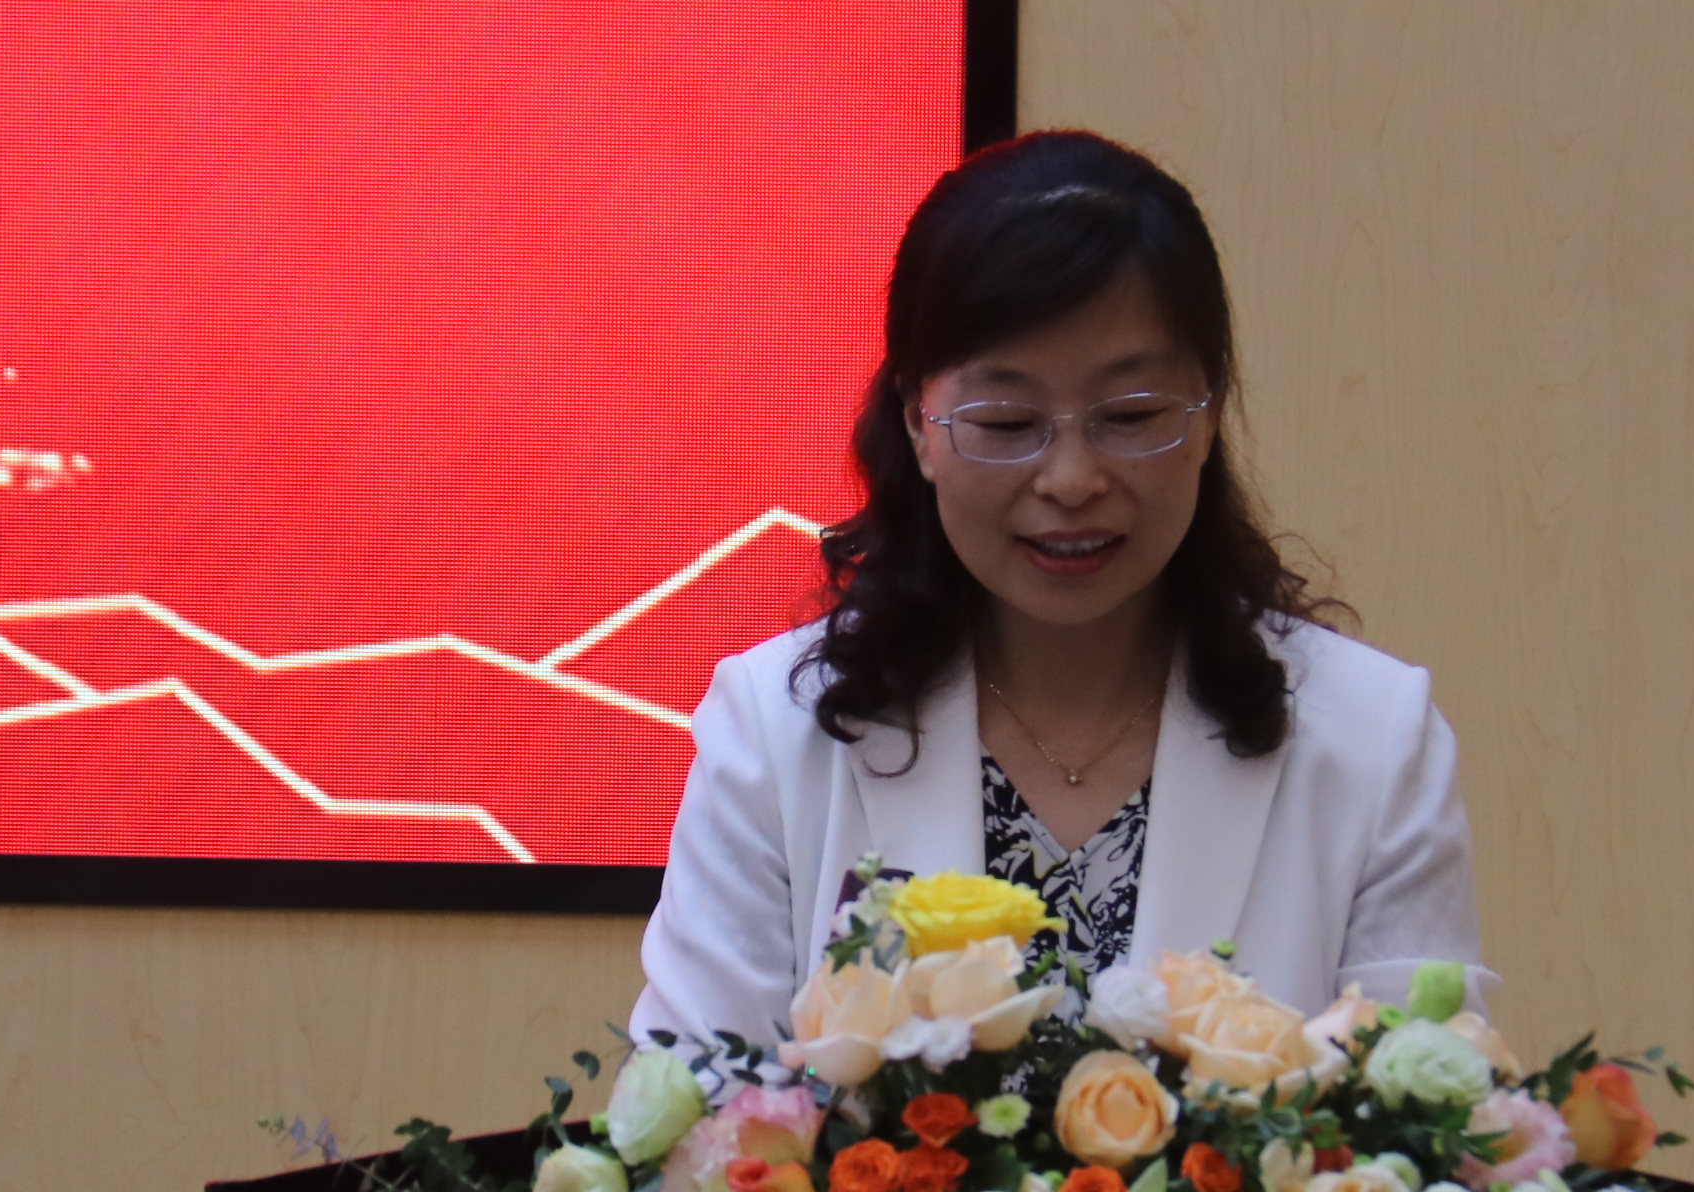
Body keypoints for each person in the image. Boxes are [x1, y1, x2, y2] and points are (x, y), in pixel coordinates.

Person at [632, 129, 1491, 1049]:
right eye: (1008, 422)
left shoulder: (1372, 739)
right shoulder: (772, 736)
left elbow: (1426, 1105)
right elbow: (698, 1108)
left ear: (1209, 413)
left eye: (1132, 416)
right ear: (919, 425)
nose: (1072, 479)